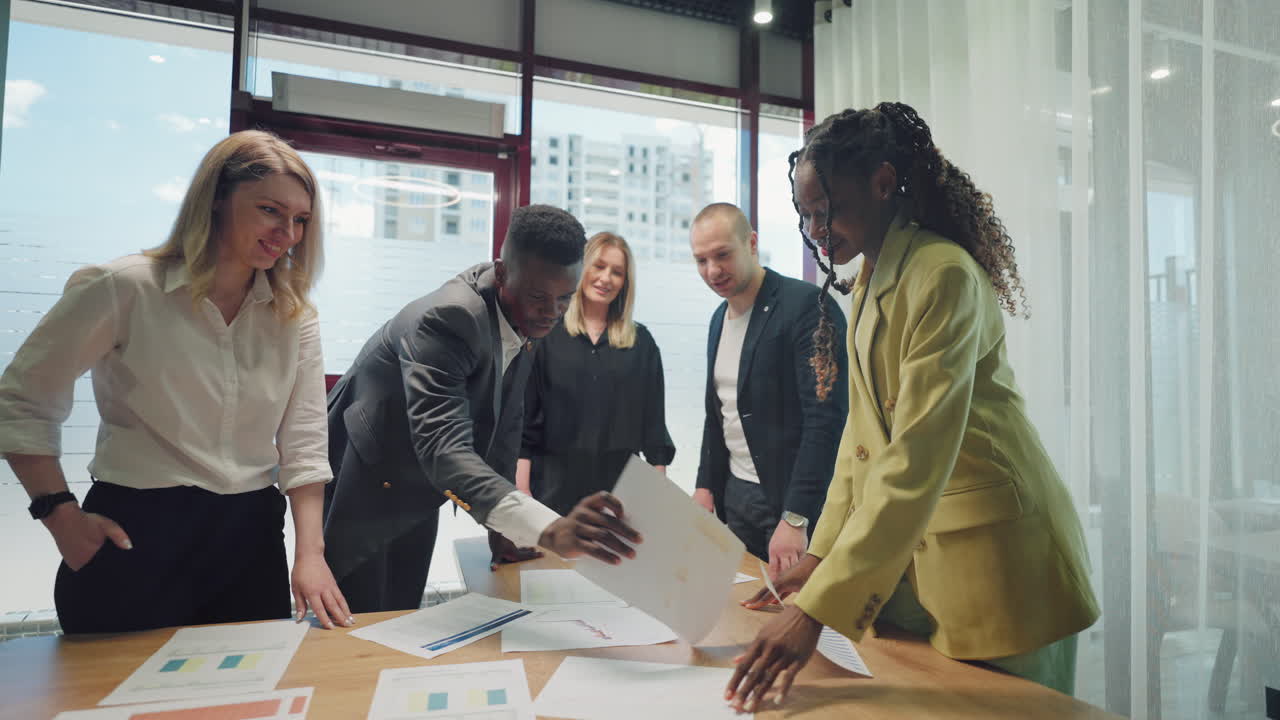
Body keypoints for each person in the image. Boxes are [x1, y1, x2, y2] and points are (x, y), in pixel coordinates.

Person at [725, 103, 1100, 712]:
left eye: (829, 209)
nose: (818, 228)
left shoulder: (943, 274)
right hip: (928, 560)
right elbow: (862, 440)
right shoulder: (873, 278)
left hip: (1002, 563)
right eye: (807, 214)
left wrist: (817, 611)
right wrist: (820, 555)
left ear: (881, 182)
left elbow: (916, 457)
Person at [0, 130, 352, 634]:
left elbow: (303, 446)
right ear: (215, 202)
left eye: (300, 220)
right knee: (117, 704)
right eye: (270, 210)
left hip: (250, 540)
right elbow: (22, 400)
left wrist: (310, 554)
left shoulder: (294, 316)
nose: (288, 234)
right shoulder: (124, 287)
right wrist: (58, 514)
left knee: (243, 704)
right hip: (136, 533)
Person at [323, 205, 643, 613]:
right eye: (540, 298)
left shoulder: (526, 313)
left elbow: (506, 425)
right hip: (363, 477)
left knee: (401, 613)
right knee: (356, 622)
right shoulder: (451, 318)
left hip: (420, 482)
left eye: (565, 298)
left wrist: (503, 527)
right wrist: (550, 528)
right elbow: (444, 448)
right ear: (503, 272)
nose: (552, 311)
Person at [689, 203, 848, 581]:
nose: (712, 271)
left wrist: (796, 517)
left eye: (723, 255)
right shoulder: (718, 318)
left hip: (790, 501)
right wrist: (704, 486)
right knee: (743, 610)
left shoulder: (808, 306)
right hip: (736, 497)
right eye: (701, 260)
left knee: (798, 619)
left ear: (752, 243)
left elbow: (825, 422)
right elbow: (719, 412)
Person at [516, 232, 675, 515]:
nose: (606, 278)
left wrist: (657, 500)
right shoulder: (545, 335)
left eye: (617, 272)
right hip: (551, 496)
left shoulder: (642, 343)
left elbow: (654, 428)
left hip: (622, 499)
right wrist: (522, 493)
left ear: (625, 282)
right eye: (599, 266)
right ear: (581, 269)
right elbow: (525, 423)